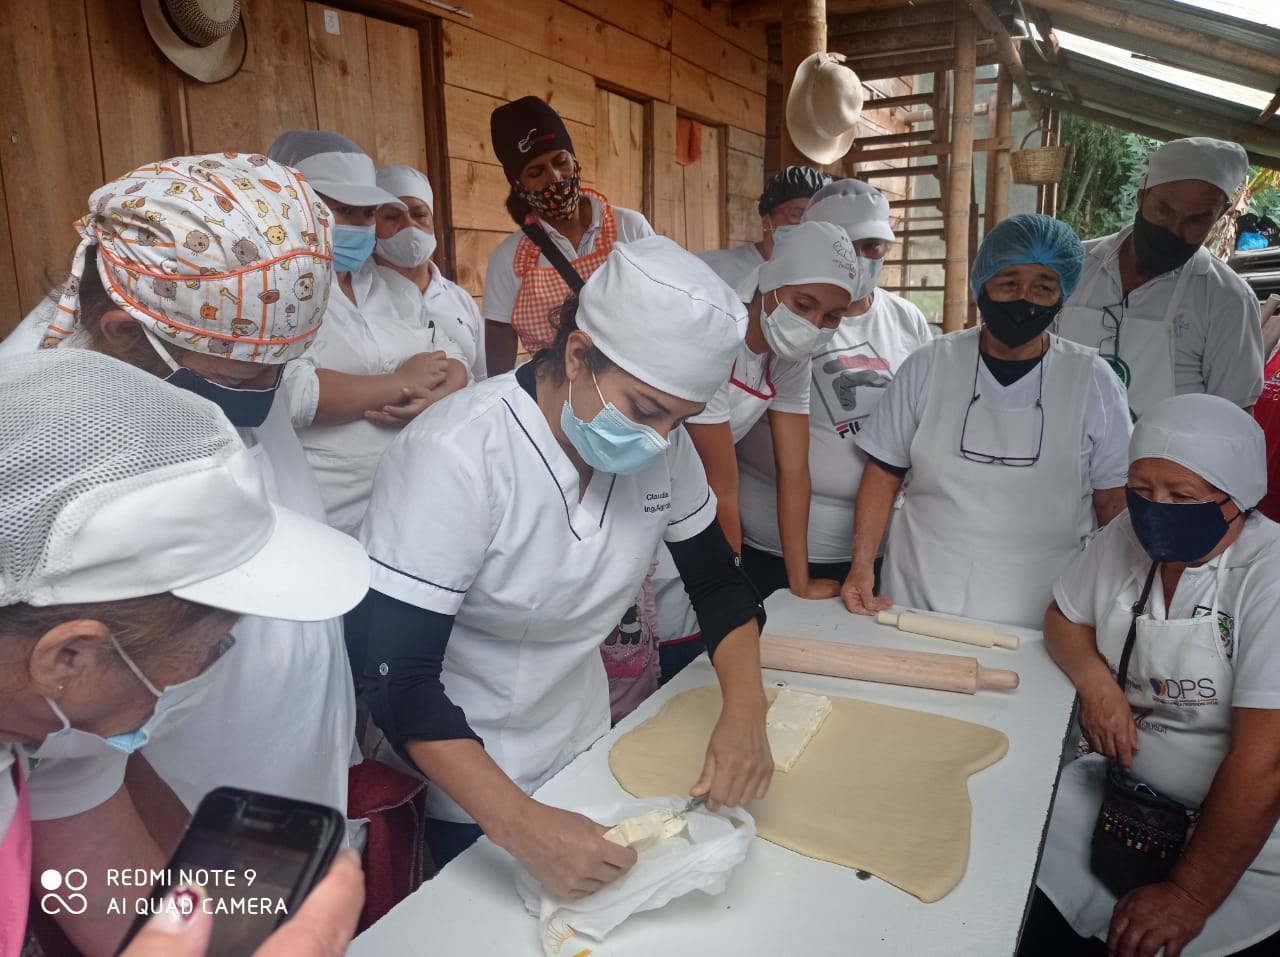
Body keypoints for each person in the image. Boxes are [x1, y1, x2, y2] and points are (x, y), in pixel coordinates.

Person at [352, 237, 773, 891]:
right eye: (645, 411)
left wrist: (746, 712)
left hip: (582, 745)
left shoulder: (665, 450)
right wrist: (521, 825)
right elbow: (395, 678)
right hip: (464, 776)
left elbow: (718, 582)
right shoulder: (457, 455)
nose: (661, 440)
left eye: (681, 420)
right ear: (578, 355)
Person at [22, 154, 361, 955]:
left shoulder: (206, 351)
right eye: (250, 374)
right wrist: (192, 904)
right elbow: (73, 775)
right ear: (124, 333)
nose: (270, 389)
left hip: (253, 819)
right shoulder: (45, 455)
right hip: (169, 829)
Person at [1026, 394, 1280, 957]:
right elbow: (1063, 618)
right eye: (1141, 490)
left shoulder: (1270, 579)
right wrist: (1097, 684)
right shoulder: (1127, 537)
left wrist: (1188, 895)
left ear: (1235, 499)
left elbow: (1266, 763)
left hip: (1242, 845)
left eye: (1181, 496)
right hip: (1115, 796)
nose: (1154, 508)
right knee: (1019, 889)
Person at [843, 214, 1132, 630]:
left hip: (1045, 606)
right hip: (919, 592)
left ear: (1062, 294)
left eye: (1043, 287)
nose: (1024, 298)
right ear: (983, 284)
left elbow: (1113, 501)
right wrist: (862, 564)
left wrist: (1113, 594)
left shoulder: (1092, 379)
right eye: (1009, 282)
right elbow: (883, 472)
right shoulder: (930, 363)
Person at [651, 222, 859, 680]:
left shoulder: (787, 360)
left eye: (831, 316)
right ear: (769, 281)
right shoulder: (718, 340)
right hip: (655, 495)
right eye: (803, 304)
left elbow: (795, 471)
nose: (812, 325)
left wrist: (798, 580)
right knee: (663, 642)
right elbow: (721, 485)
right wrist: (731, 591)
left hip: (694, 501)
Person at [736, 178, 933, 596]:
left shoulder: (906, 320)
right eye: (848, 243)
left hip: (874, 550)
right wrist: (729, 576)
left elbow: (921, 425)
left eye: (874, 248)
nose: (860, 259)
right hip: (758, 544)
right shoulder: (761, 328)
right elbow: (719, 473)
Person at [266, 131, 469, 534]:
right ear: (298, 208)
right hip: (331, 506)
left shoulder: (390, 288)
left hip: (418, 492)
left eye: (369, 213)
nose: (361, 225)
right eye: (345, 211)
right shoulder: (275, 293)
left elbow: (454, 358)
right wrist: (400, 382)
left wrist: (436, 398)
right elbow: (295, 393)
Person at [1057, 137, 1263, 420]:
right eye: (1164, 210)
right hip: (1062, 456)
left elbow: (1233, 420)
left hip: (1160, 462)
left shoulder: (1228, 300)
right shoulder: (1073, 266)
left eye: (1197, 220)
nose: (1174, 230)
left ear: (1221, 214)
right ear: (1142, 196)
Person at [482, 96, 654, 375]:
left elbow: (664, 307)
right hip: (560, 401)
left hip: (636, 383)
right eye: (536, 171)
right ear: (518, 184)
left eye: (561, 161)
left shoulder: (630, 229)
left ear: (574, 160)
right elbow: (498, 367)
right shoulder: (509, 259)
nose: (555, 178)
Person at [374, 164, 487, 380]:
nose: (410, 225)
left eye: (419, 214)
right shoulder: (361, 296)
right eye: (392, 216)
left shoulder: (460, 300)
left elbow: (482, 378)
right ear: (373, 224)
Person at [698, 165, 831, 291]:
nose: (807, 225)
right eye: (797, 215)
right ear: (767, 221)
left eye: (817, 219)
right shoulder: (716, 268)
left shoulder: (822, 280)